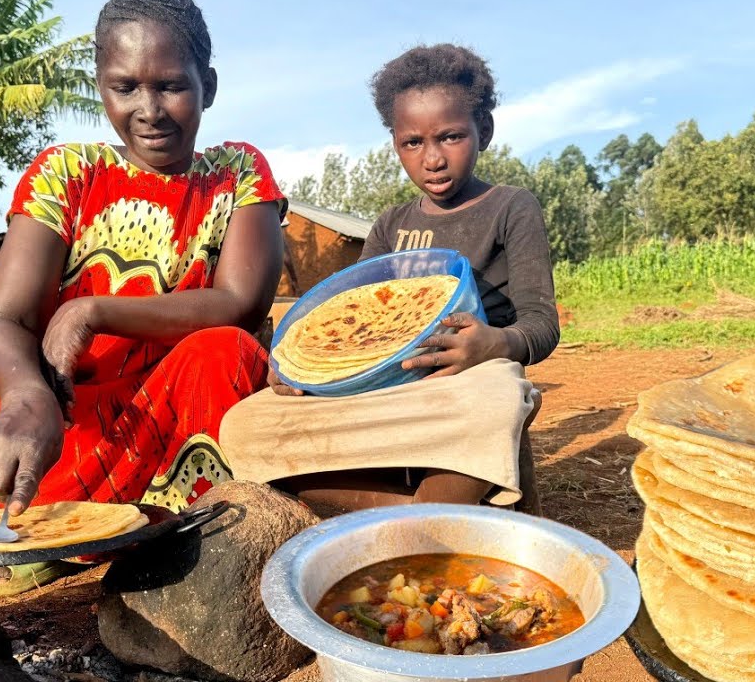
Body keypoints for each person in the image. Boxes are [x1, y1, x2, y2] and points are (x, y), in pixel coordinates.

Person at [0, 0, 285, 596]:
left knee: (222, 351)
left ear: (209, 85)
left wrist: (94, 310)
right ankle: (47, 534)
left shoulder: (236, 175)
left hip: (176, 415)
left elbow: (240, 301)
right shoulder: (66, 175)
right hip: (74, 418)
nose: (148, 109)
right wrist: (24, 398)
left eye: (171, 85)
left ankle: (191, 536)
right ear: (102, 87)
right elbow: (2, 320)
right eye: (124, 87)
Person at [220, 43, 558, 514]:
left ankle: (408, 523)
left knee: (499, 399)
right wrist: (299, 367)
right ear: (396, 144)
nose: (432, 158)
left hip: (466, 387)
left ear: (484, 130)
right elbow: (350, 324)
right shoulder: (389, 225)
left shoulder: (510, 208)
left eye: (451, 137)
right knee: (245, 425)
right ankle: (428, 510)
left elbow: (542, 325)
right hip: (386, 392)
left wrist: (494, 345)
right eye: (412, 143)